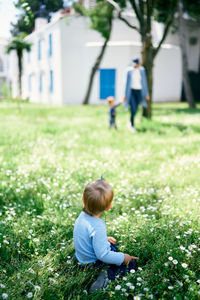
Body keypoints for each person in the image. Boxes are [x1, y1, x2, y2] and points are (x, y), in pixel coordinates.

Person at [73, 179, 139, 293]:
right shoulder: (98, 226)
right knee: (130, 264)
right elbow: (103, 255)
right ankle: (105, 276)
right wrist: (123, 258)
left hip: (82, 257)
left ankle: (80, 261)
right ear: (108, 207)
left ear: (83, 200)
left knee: (110, 245)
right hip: (94, 263)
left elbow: (86, 235)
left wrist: (104, 239)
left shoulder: (81, 216)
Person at [124, 58, 150, 132]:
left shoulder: (142, 70)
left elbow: (144, 82)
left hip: (139, 91)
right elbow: (126, 83)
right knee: (133, 107)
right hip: (131, 91)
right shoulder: (129, 71)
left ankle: (131, 120)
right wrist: (125, 95)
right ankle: (132, 123)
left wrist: (146, 94)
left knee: (137, 107)